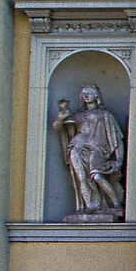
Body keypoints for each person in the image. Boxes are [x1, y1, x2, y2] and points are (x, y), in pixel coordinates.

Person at [53, 84, 126, 221]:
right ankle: (90, 206)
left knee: (97, 175)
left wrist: (118, 160)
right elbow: (57, 126)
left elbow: (116, 138)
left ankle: (116, 204)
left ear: (97, 95)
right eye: (84, 93)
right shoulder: (77, 115)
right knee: (81, 177)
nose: (86, 95)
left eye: (89, 92)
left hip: (97, 147)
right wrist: (62, 117)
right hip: (77, 147)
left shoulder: (105, 115)